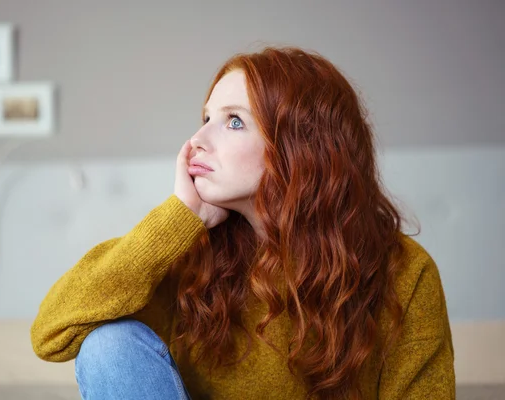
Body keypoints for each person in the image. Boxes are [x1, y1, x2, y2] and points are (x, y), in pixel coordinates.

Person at [30, 46, 455, 399]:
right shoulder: (192, 253)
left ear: (301, 148)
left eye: (234, 121)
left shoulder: (405, 273)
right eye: (206, 119)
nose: (197, 141)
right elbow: (52, 333)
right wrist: (179, 217)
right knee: (110, 346)